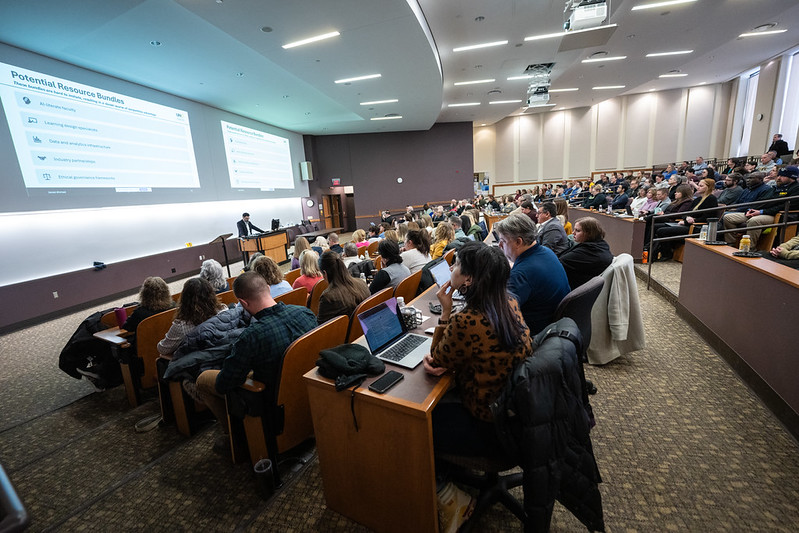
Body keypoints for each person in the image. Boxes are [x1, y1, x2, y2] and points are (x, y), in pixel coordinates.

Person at [422, 241, 532, 456]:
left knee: (419, 421)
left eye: (456, 265)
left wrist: (446, 313)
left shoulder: (466, 321)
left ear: (469, 279)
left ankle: (443, 484)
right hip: (513, 411)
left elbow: (437, 360)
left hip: (486, 419)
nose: (452, 269)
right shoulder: (509, 301)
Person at [195, 272, 317, 447]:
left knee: (202, 380)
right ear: (268, 288)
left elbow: (225, 383)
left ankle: (235, 437)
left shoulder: (251, 337)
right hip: (306, 389)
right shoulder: (305, 313)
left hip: (269, 396)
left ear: (243, 303)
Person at [494, 214, 570, 334]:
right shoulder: (546, 252)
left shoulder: (521, 274)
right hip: (554, 324)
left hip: (532, 332)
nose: (499, 245)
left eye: (503, 241)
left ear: (518, 242)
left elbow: (498, 312)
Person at [652, 178, 719, 261]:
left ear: (708, 187)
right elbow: (686, 213)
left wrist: (694, 220)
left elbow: (708, 217)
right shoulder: (697, 199)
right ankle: (653, 251)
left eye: (701, 186)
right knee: (655, 226)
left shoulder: (711, 199)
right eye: (698, 185)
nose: (698, 187)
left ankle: (666, 254)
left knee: (662, 230)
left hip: (697, 227)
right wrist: (686, 217)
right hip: (687, 223)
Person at [157, 278, 226, 356]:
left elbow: (162, 349)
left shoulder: (181, 326)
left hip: (198, 364)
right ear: (211, 294)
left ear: (184, 299)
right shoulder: (224, 311)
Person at [558, 218, 614, 290]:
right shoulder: (602, 245)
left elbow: (557, 265)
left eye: (577, 231)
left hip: (570, 288)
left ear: (589, 233)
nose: (573, 233)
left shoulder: (588, 252)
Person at [722, 172, 776, 245]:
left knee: (725, 215)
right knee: (724, 215)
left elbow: (758, 205)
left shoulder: (766, 189)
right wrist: (730, 207)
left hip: (752, 213)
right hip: (741, 211)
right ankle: (731, 242)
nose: (748, 180)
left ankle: (749, 247)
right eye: (747, 178)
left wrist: (737, 209)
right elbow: (737, 202)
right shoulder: (747, 190)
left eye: (751, 178)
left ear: (760, 179)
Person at [316, 250, 371, 324]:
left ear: (325, 273)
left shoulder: (328, 297)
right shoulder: (362, 283)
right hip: (364, 329)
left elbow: (322, 328)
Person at [643, 184, 694, 251]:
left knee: (653, 219)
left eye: (678, 192)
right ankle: (646, 244)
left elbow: (679, 214)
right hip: (668, 217)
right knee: (651, 223)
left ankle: (649, 247)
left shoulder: (687, 202)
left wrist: (664, 214)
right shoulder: (676, 201)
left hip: (672, 220)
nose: (675, 193)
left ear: (684, 193)